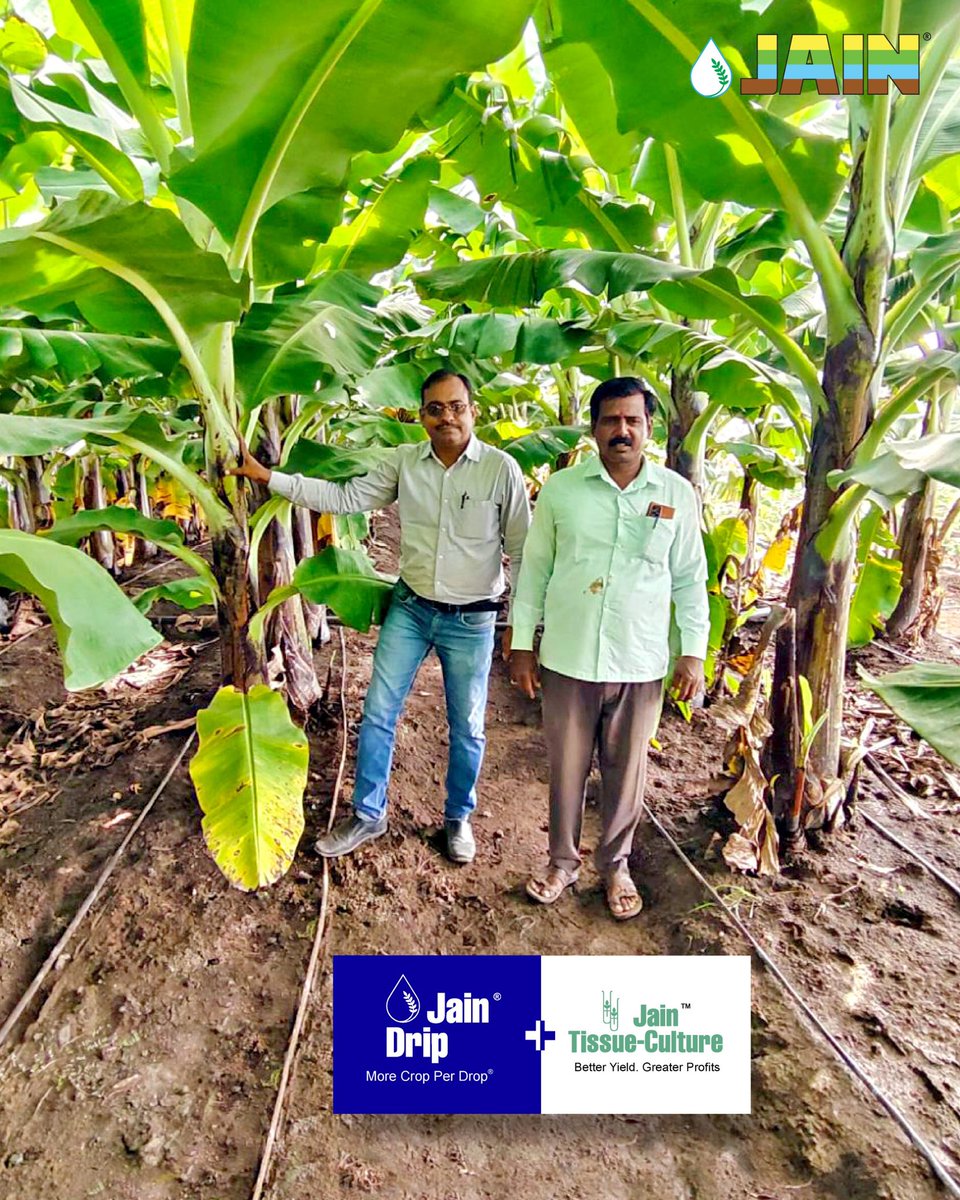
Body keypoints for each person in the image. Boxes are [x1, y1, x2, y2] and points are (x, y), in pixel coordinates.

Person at [228, 369, 530, 864]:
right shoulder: (404, 463)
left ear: (473, 410)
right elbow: (344, 498)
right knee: (378, 712)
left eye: (456, 406)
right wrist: (269, 478)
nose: (446, 417)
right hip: (411, 608)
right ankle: (369, 814)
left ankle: (458, 818)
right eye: (435, 409)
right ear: (421, 417)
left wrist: (517, 625)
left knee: (468, 725)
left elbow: (521, 551)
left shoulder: (501, 471)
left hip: (472, 620)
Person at [508, 377, 709, 920]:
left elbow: (690, 578)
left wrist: (693, 651)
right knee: (567, 767)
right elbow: (535, 571)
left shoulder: (675, 495)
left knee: (627, 771)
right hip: (569, 656)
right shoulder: (562, 491)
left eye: (633, 421)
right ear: (594, 427)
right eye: (611, 420)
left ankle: (616, 866)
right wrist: (521, 643)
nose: (622, 431)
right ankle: (561, 863)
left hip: (640, 658)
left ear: (649, 428)